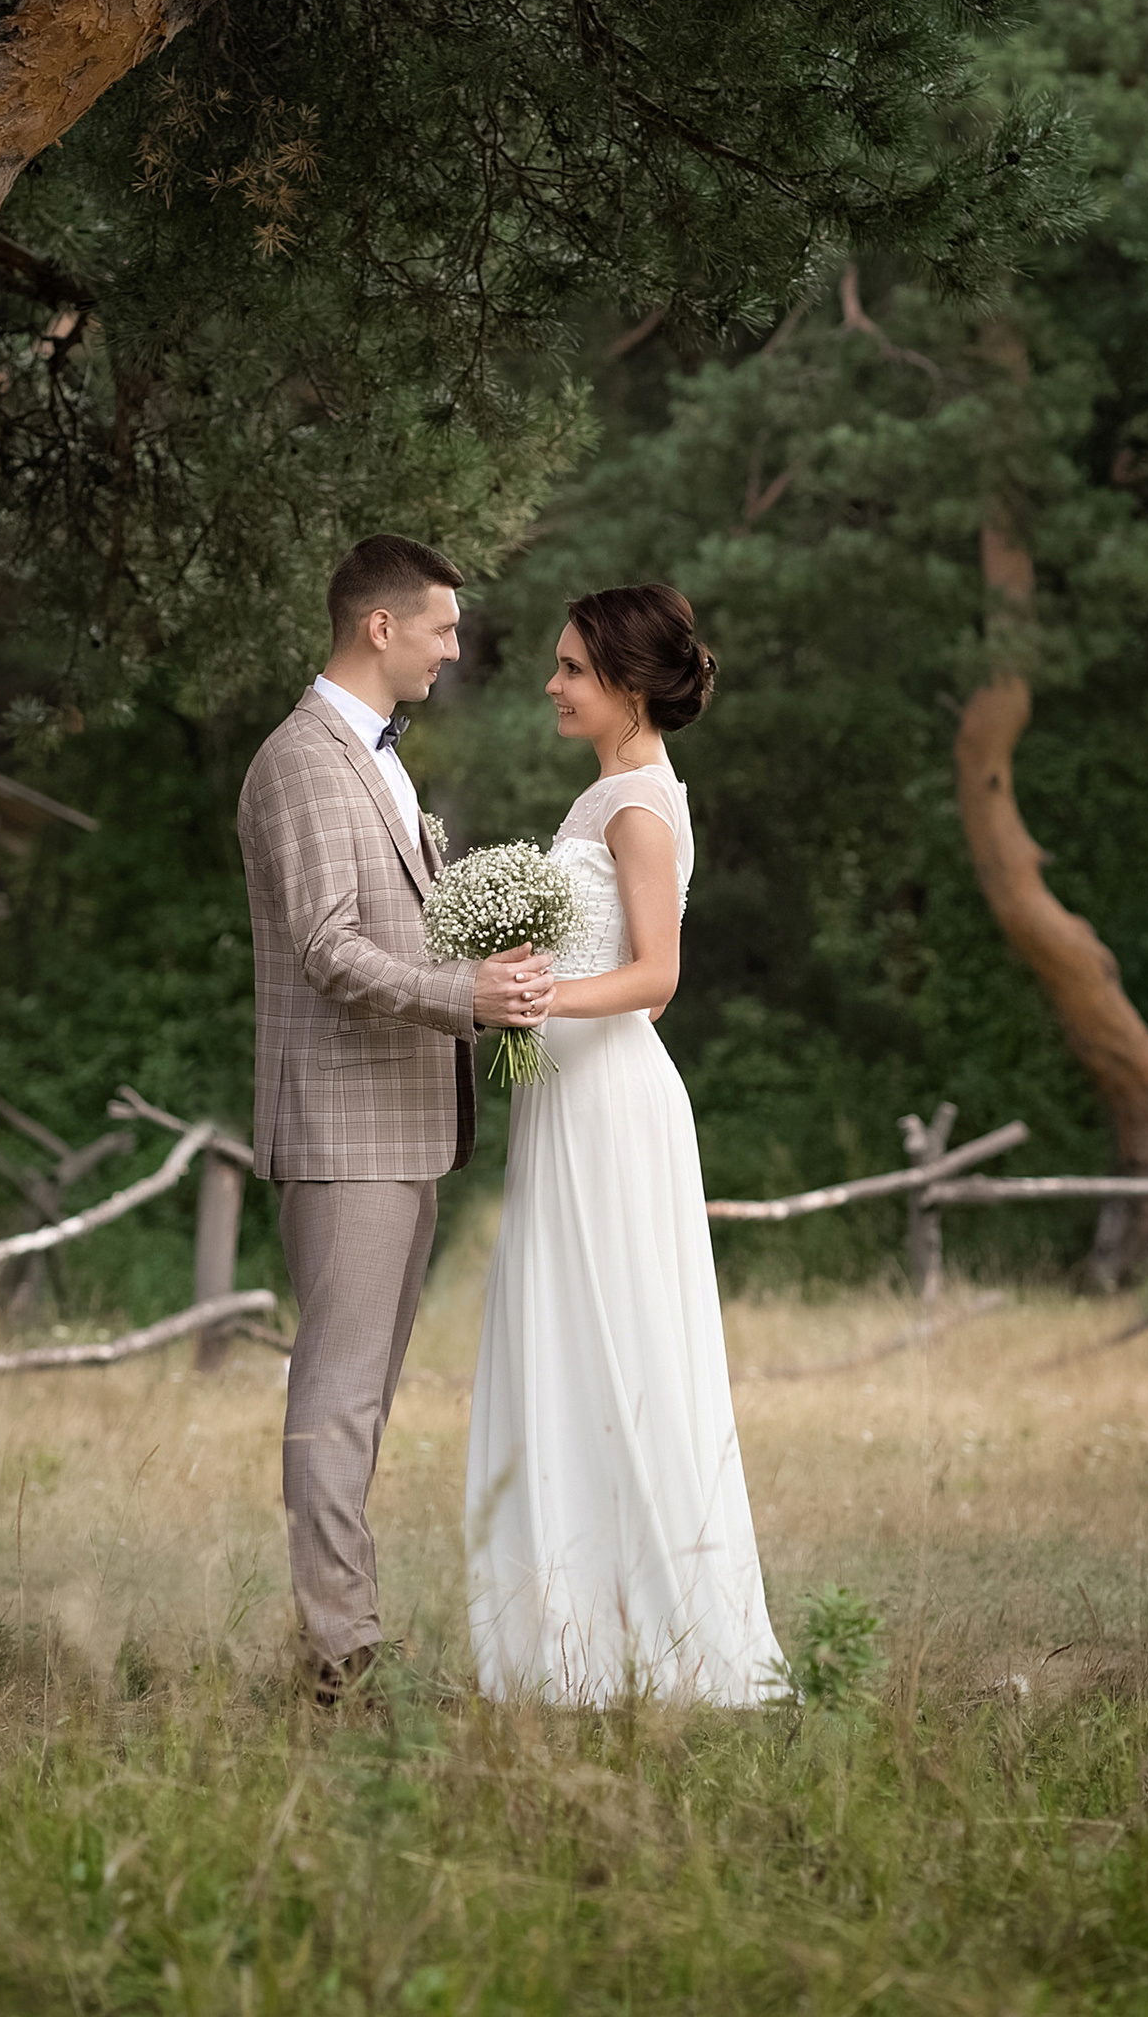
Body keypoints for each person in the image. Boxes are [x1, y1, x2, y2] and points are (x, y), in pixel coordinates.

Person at [236, 533, 555, 1705]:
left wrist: (490, 966)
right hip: (344, 1127)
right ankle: (337, 1651)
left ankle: (343, 1631)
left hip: (403, 1123)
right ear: (380, 626)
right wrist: (460, 995)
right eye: (442, 627)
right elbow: (325, 946)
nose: (454, 648)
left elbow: (395, 929)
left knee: (361, 1388)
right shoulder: (305, 760)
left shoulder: (375, 758)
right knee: (338, 1388)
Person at [465, 582, 788, 1705]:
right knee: (568, 1346)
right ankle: (573, 1643)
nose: (550, 685)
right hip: (570, 1103)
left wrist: (533, 1000)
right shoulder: (606, 795)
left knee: (616, 1347)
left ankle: (659, 1643)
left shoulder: (637, 805)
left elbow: (657, 981)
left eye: (570, 669)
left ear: (631, 685)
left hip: (609, 1109)